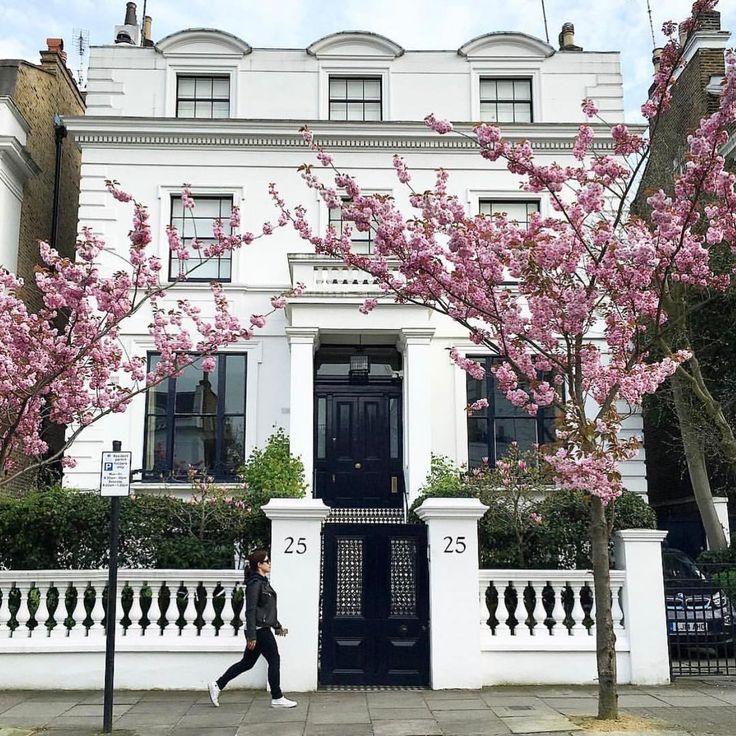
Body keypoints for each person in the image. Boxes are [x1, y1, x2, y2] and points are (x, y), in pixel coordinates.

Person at [208, 549, 297, 708]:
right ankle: (277, 697)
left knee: (247, 663)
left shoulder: (262, 582)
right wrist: (251, 636)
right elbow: (250, 611)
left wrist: (277, 626)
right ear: (259, 564)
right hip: (259, 630)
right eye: (267, 561)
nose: (269, 564)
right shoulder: (255, 584)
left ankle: (217, 685)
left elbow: (266, 610)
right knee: (274, 659)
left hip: (261, 629)